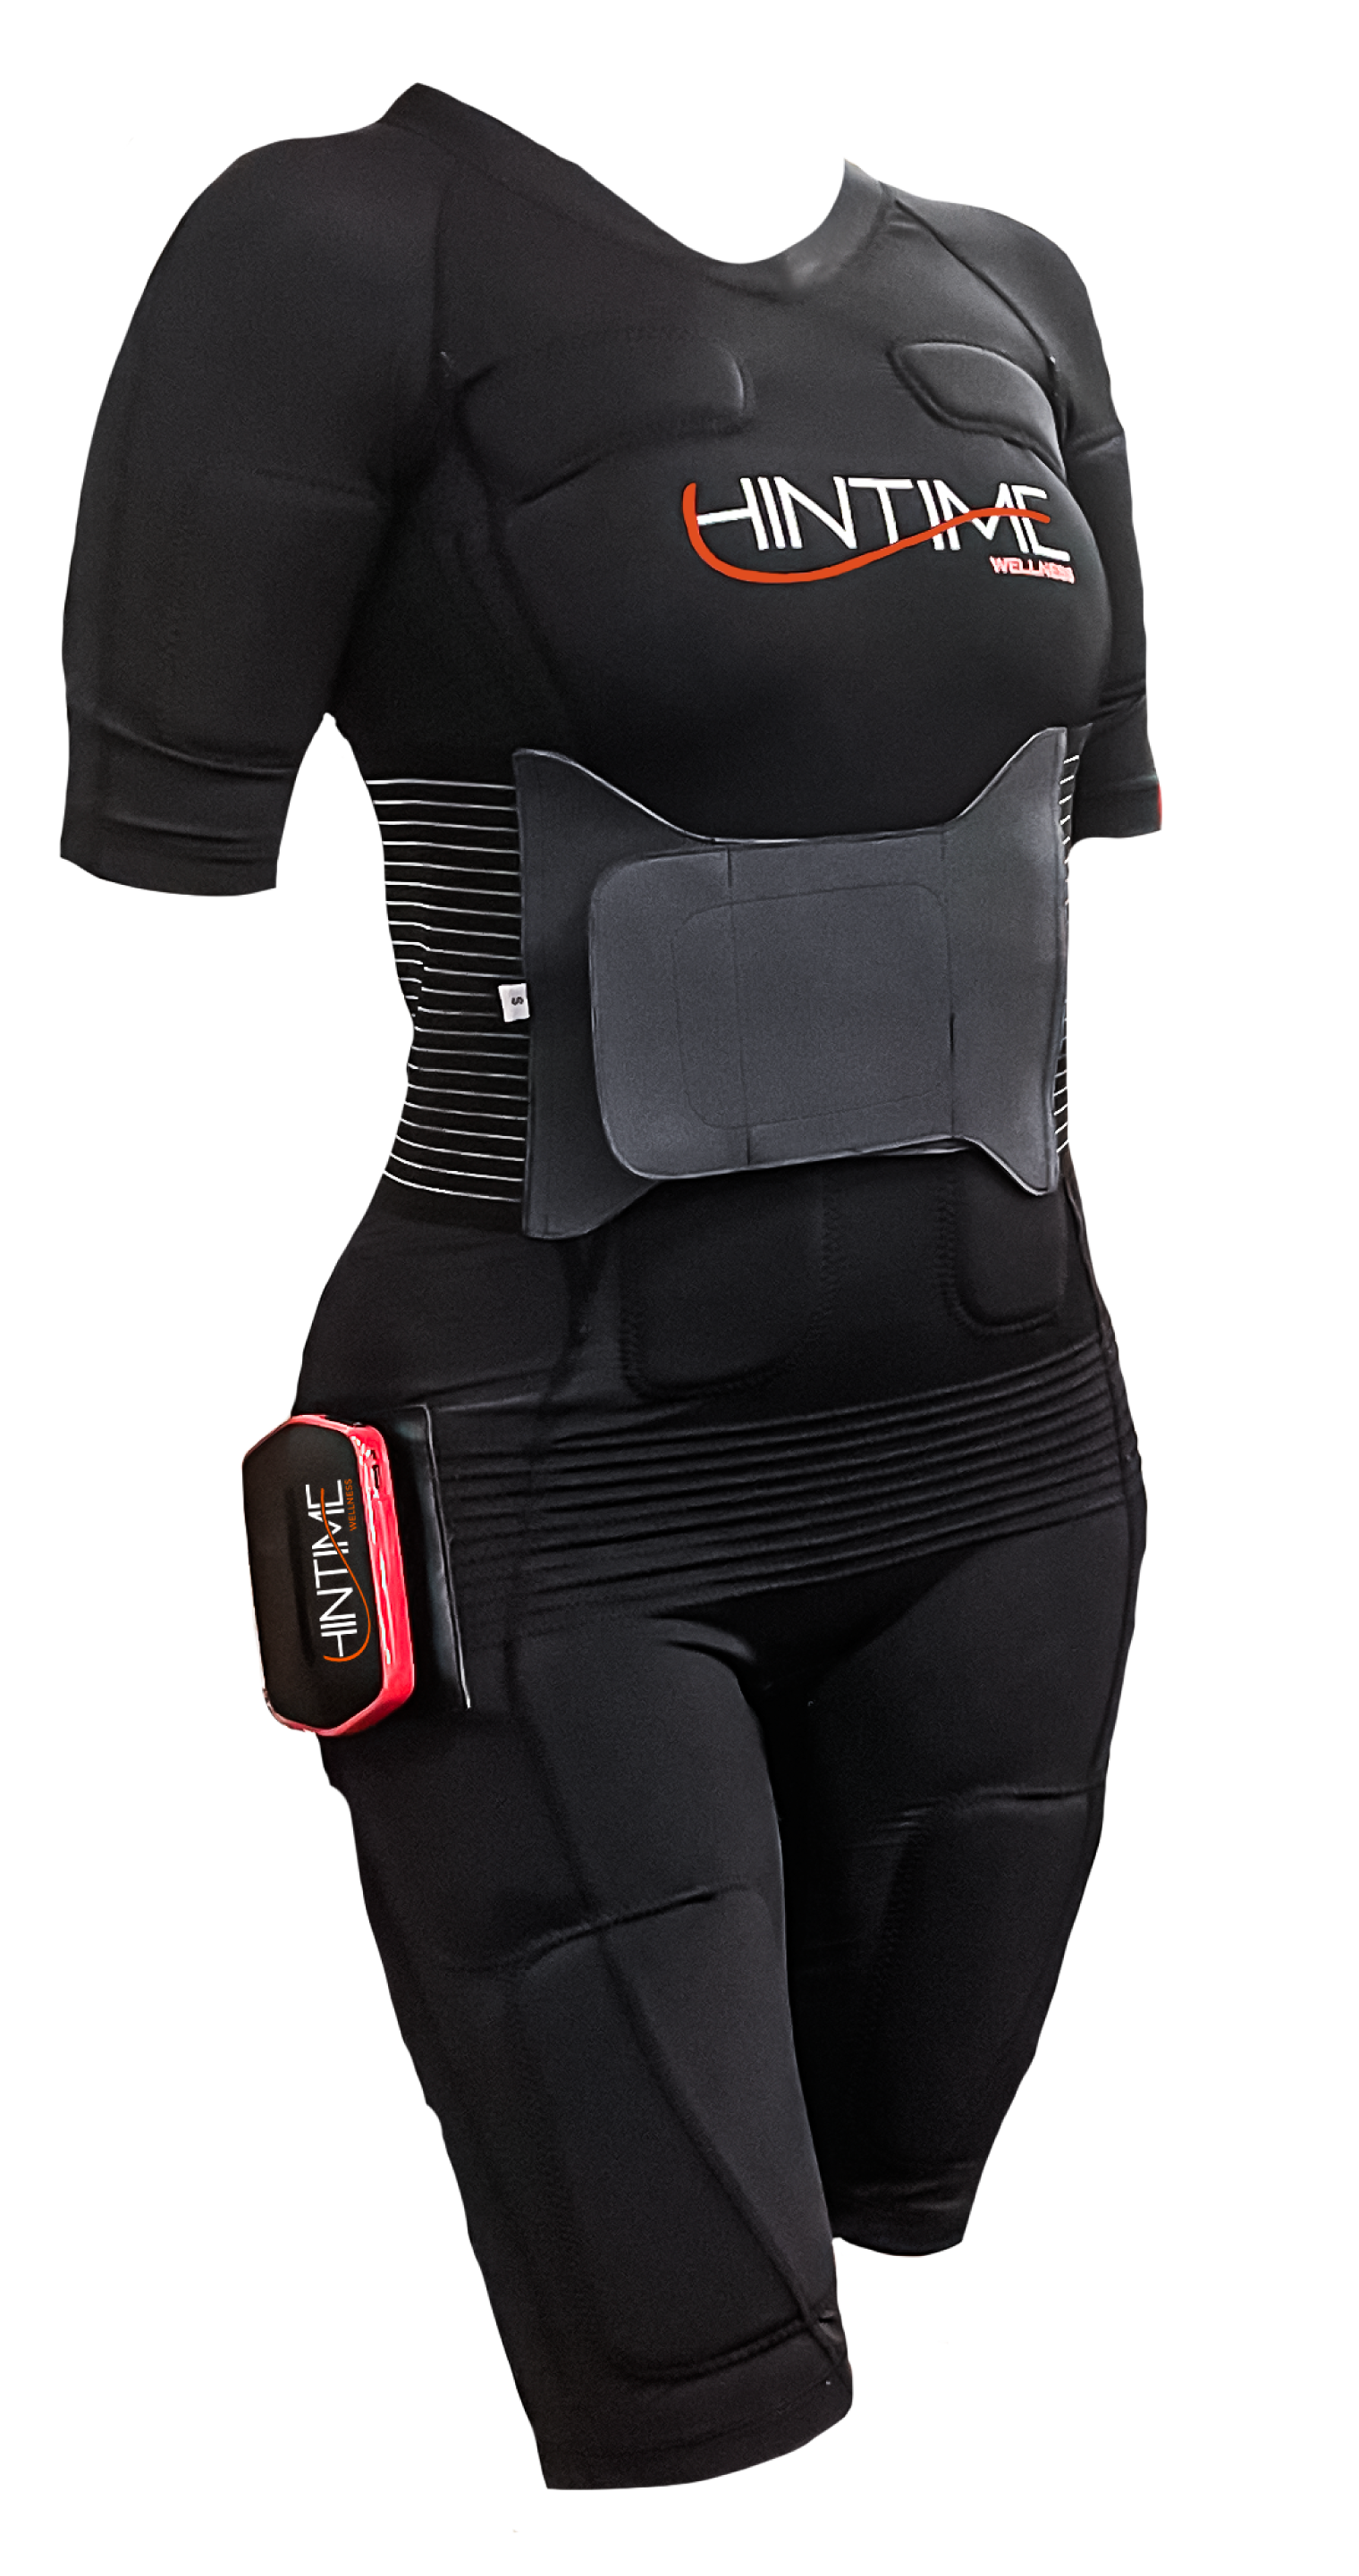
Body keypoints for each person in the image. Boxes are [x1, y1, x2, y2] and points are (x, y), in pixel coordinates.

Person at [59, 83, 1157, 2494]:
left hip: (1018, 1460)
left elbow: (1076, 840)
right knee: (703, 2376)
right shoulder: (337, 248)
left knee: (938, 2260)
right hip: (565, 1486)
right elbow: (152, 900)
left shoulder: (1012, 283)